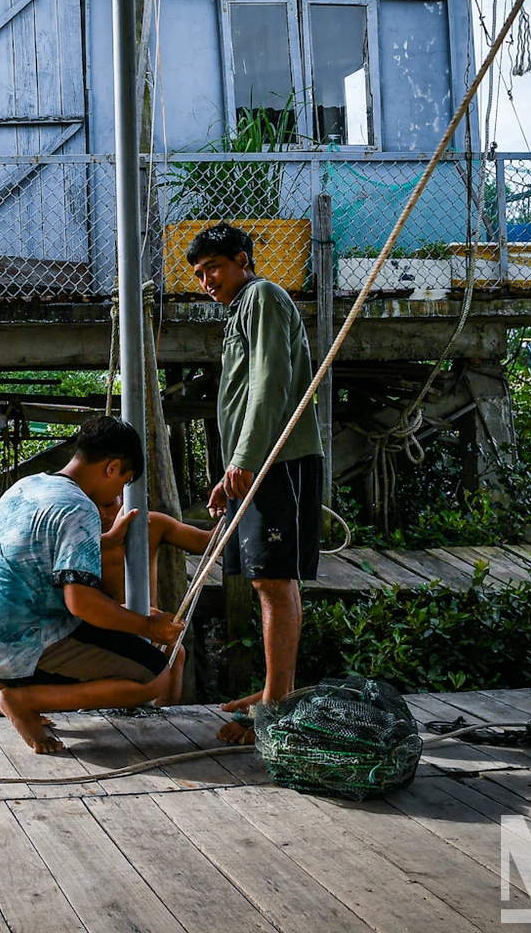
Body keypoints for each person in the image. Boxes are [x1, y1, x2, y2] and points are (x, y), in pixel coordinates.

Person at [0, 415, 186, 754]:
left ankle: (0, 690)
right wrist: (147, 625)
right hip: (21, 637)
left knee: (115, 646)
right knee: (155, 675)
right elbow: (82, 603)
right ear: (112, 468)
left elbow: (40, 549)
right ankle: (19, 698)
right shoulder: (79, 508)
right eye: (122, 482)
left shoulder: (29, 485)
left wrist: (103, 541)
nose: (118, 493)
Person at [185, 223, 324, 744]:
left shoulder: (262, 295)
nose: (206, 281)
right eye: (199, 274)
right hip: (258, 462)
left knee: (272, 578)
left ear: (243, 260)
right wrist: (230, 474)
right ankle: (277, 692)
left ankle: (275, 705)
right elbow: (247, 400)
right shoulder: (239, 310)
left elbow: (270, 380)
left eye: (214, 268)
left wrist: (243, 459)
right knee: (268, 578)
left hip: (279, 460)